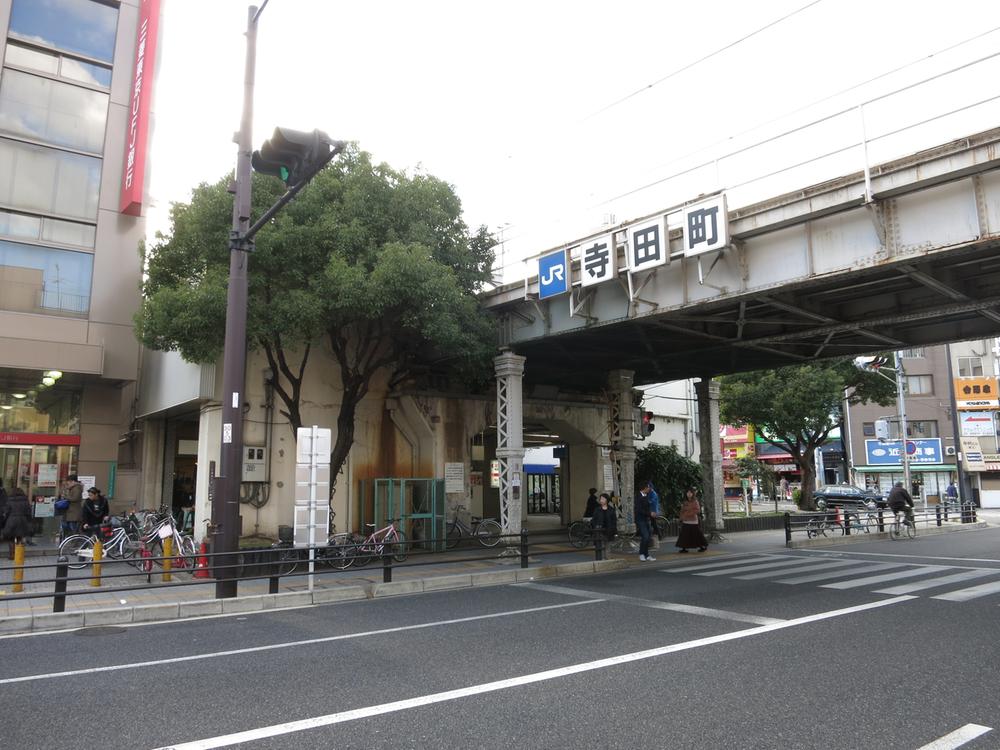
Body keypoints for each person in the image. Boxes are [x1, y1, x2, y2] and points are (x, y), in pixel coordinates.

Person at [676, 487, 709, 553]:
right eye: (688, 492)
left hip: (693, 521)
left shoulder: (695, 501)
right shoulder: (685, 502)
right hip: (685, 521)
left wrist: (688, 514)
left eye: (690, 493)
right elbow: (682, 510)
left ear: (693, 494)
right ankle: (684, 548)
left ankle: (702, 546)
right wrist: (681, 518)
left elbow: (697, 510)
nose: (689, 494)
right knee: (684, 535)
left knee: (696, 534)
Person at [3, 486, 32, 560]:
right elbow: (28, 512)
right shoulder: (25, 500)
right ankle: (19, 555)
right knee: (20, 538)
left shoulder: (9, 500)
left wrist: (4, 521)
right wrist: (28, 521)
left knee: (10, 539)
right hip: (22, 521)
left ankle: (12, 555)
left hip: (11, 520)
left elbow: (6, 512)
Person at [634, 481, 655, 561]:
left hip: (646, 519)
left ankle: (647, 555)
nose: (649, 489)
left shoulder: (646, 495)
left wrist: (650, 513)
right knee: (645, 536)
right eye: (648, 487)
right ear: (645, 488)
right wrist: (650, 513)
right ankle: (641, 554)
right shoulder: (638, 496)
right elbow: (639, 510)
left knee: (648, 536)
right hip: (640, 519)